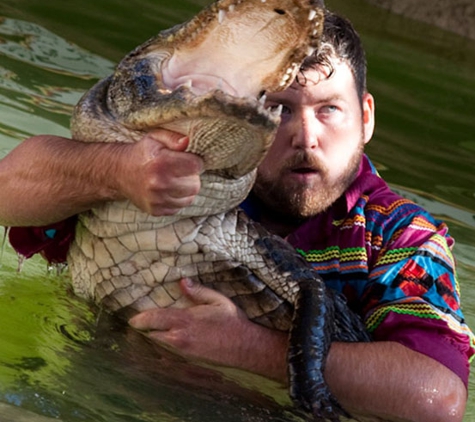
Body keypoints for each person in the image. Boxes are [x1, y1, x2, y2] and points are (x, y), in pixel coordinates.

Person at [0, 12, 473, 422]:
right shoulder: (177, 167)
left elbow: (439, 401)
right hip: (92, 378)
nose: (306, 137)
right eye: (281, 110)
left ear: (365, 118)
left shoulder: (401, 235)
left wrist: (246, 348)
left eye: (329, 109)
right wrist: (117, 171)